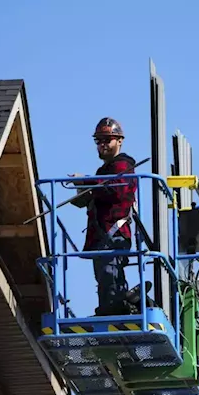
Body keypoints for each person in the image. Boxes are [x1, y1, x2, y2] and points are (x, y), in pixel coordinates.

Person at [70, 117, 138, 316]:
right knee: (105, 276)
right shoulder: (105, 170)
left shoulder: (123, 165)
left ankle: (113, 310)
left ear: (119, 141)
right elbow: (102, 191)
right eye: (99, 141)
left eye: (107, 140)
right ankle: (109, 309)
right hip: (103, 235)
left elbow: (116, 190)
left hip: (113, 233)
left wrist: (86, 182)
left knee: (110, 275)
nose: (102, 145)